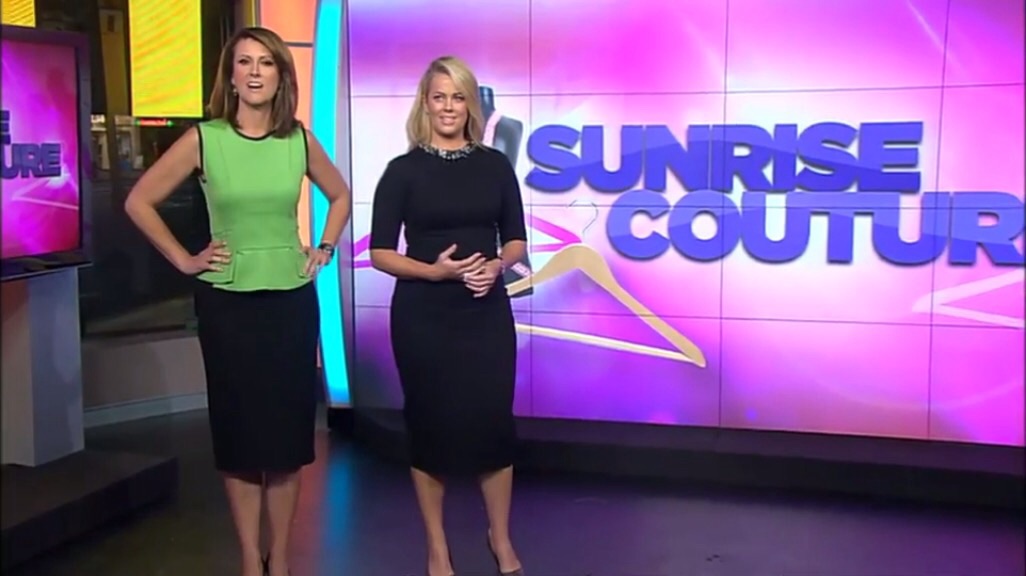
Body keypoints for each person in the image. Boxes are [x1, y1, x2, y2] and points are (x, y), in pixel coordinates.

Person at [124, 27, 351, 576]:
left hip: (289, 302)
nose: (254, 72)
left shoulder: (298, 140)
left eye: (266, 63)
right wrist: (185, 259)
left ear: (281, 76)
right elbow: (139, 201)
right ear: (230, 76)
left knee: (286, 439)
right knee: (241, 436)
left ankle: (282, 558)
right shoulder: (205, 139)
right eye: (244, 62)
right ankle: (251, 556)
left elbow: (341, 195)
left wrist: (324, 247)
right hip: (228, 304)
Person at [369, 56, 528, 576]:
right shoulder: (402, 172)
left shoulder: (495, 166)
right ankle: (437, 548)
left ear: (470, 105)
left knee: (492, 426)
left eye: (458, 97)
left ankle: (499, 537)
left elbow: (517, 240)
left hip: (485, 312)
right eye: (439, 97)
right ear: (425, 103)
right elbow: (380, 253)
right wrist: (433, 272)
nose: (448, 107)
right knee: (430, 428)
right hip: (425, 315)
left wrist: (496, 266)